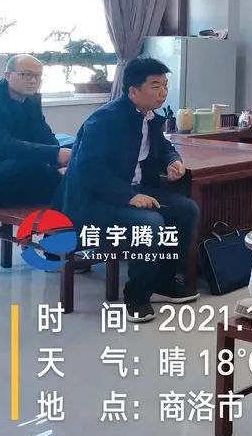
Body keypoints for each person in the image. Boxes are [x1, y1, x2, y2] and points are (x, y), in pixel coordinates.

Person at [59, 57, 200, 323]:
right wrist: (130, 196)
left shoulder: (150, 117)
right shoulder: (104, 120)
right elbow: (89, 171)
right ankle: (137, 296)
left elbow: (164, 147)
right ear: (133, 91)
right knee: (151, 223)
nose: (163, 92)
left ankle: (162, 281)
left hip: (133, 190)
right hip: (94, 200)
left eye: (165, 85)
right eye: (155, 85)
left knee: (187, 209)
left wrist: (172, 161)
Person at [0, 55, 69, 208]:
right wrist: (54, 154)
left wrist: (60, 157)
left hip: (19, 159)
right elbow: (4, 145)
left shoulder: (32, 100)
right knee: (32, 166)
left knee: (72, 144)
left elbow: (45, 134)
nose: (34, 81)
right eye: (26, 75)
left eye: (38, 76)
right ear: (7, 75)